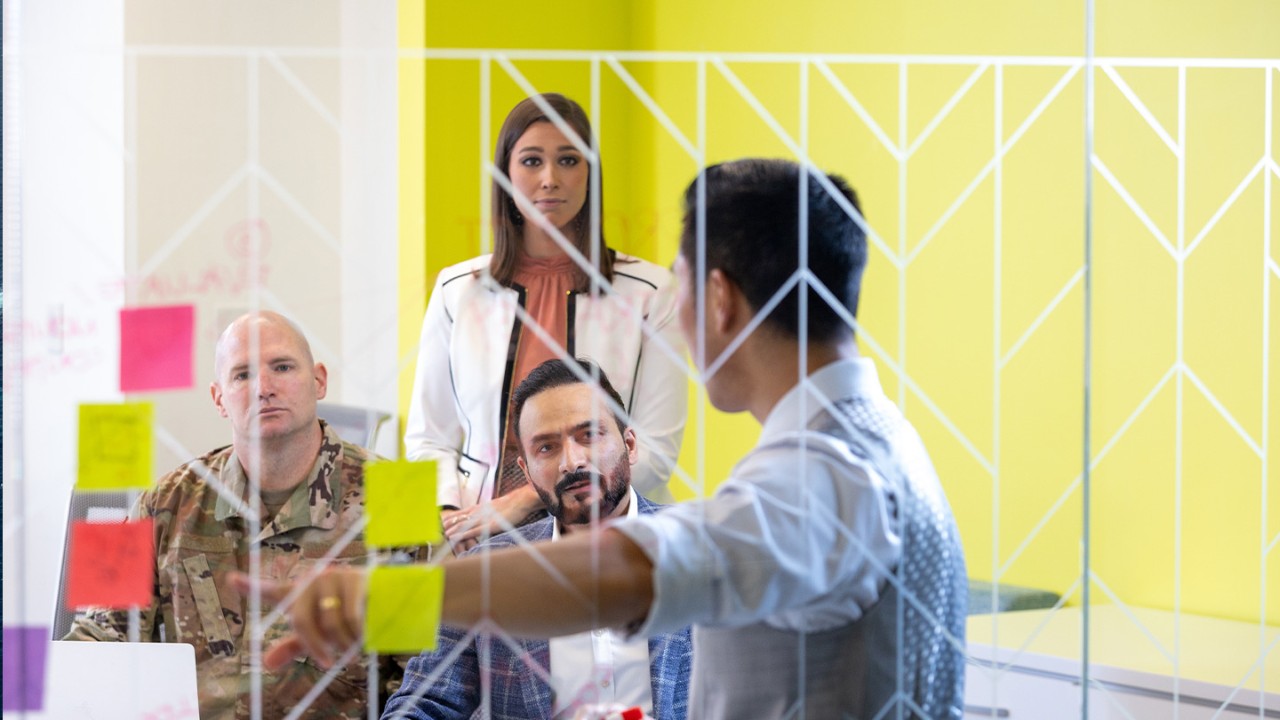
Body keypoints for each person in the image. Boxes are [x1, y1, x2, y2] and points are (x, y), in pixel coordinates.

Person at [249, 158, 969, 719]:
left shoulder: (826, 473)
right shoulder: (873, 441)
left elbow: (627, 574)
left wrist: (394, 598)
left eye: (680, 287)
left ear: (718, 299)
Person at [66, 311, 422, 720]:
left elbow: (432, 679)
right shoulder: (160, 501)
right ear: (219, 398)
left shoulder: (402, 497)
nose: (264, 389)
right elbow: (91, 645)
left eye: (282, 367)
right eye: (242, 375)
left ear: (319, 380)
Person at [405, 93, 687, 553]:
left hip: (607, 535)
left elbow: (655, 451)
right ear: (505, 173)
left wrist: (521, 503)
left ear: (591, 173)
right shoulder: (456, 289)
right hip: (476, 541)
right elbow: (426, 438)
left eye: (569, 160)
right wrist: (451, 522)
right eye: (532, 160)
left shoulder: (651, 293)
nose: (550, 179)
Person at [383, 359, 691, 720]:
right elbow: (425, 703)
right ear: (527, 473)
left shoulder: (704, 549)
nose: (572, 462)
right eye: (546, 448)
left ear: (630, 445)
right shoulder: (486, 574)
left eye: (589, 435)